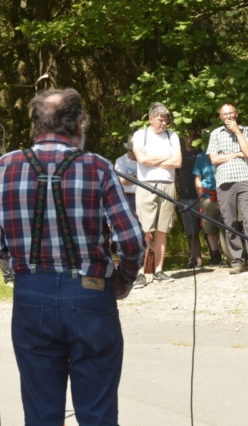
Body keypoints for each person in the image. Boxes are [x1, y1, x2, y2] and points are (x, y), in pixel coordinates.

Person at [3, 88, 145, 425]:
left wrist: (11, 265)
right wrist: (122, 280)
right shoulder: (97, 166)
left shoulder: (5, 166)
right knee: (97, 414)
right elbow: (133, 241)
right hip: (90, 294)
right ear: (78, 124)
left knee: (40, 414)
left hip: (30, 295)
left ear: (36, 125)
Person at [207, 103, 248, 274]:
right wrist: (236, 154)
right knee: (229, 221)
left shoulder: (246, 130)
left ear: (236, 114)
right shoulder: (215, 134)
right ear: (220, 117)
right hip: (224, 180)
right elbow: (214, 159)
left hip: (245, 178)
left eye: (231, 113)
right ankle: (238, 261)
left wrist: (238, 132)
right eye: (225, 114)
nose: (228, 117)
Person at [132, 102, 182, 287]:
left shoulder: (173, 136)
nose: (164, 123)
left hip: (168, 184)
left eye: (166, 120)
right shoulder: (140, 135)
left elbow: (177, 162)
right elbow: (141, 159)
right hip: (146, 185)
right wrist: (165, 158)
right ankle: (141, 273)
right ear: (151, 119)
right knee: (145, 229)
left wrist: (152, 160)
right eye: (160, 120)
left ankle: (159, 270)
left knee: (162, 228)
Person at [193, 138, 222, 266]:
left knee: (228, 226)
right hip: (209, 196)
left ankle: (231, 255)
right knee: (209, 228)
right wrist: (202, 198)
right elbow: (198, 178)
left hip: (225, 194)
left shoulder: (223, 153)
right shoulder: (201, 156)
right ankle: (215, 255)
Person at [177, 130, 203, 269]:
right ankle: (195, 259)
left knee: (210, 229)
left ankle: (215, 257)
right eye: (187, 135)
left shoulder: (201, 152)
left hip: (202, 195)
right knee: (190, 232)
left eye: (193, 136)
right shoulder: (179, 154)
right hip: (185, 198)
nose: (190, 138)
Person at [114, 136, 138, 212]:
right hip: (127, 196)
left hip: (142, 196)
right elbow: (122, 180)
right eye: (132, 150)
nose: (134, 153)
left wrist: (131, 177)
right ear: (127, 149)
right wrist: (140, 177)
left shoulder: (144, 161)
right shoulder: (121, 161)